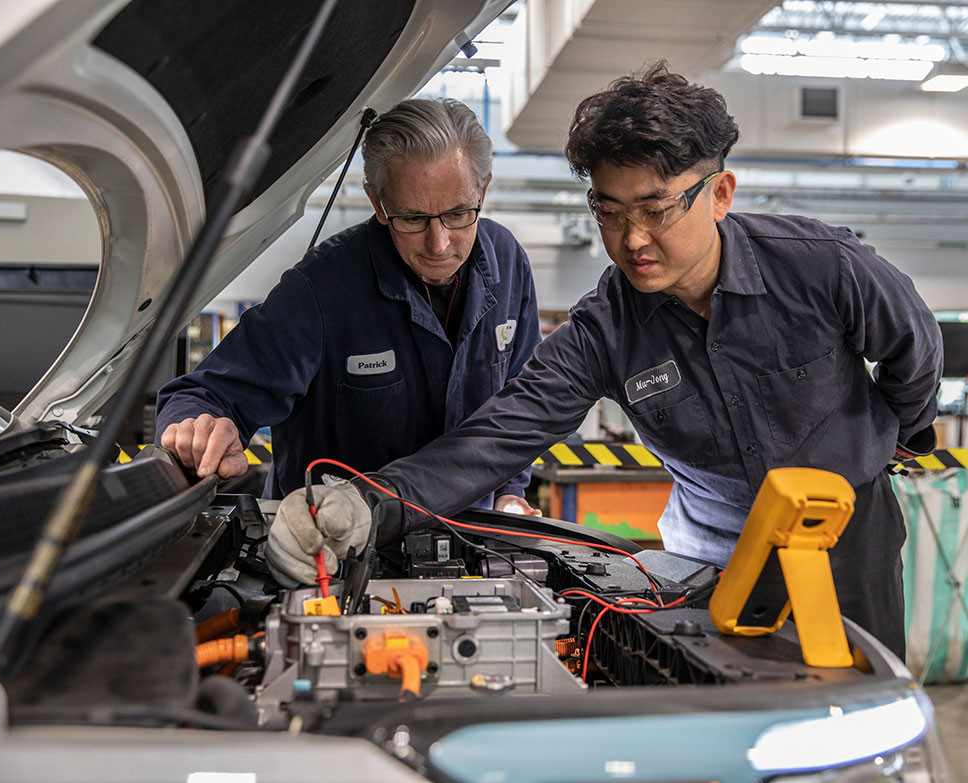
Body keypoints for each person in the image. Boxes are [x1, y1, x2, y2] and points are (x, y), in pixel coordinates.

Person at [270, 63, 942, 659]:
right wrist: (366, 502)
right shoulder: (606, 330)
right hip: (709, 555)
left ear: (720, 192)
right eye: (609, 211)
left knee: (862, 711)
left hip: (843, 540)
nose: (633, 239)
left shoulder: (822, 266)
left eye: (656, 208)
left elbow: (915, 350)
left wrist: (884, 441)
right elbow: (498, 432)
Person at [156, 98, 544, 582]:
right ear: (378, 203)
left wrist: (511, 490)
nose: (439, 243)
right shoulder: (321, 291)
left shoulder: (507, 264)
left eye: (458, 212)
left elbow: (522, 403)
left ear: (482, 189)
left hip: (470, 552)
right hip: (332, 563)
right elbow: (204, 394)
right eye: (413, 218)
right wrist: (198, 428)